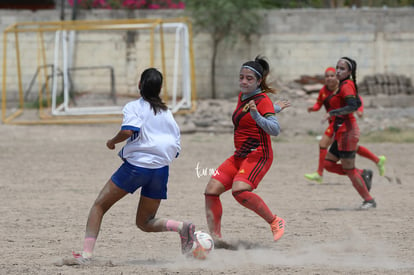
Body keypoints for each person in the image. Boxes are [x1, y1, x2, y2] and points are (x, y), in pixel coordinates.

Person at [64, 68, 195, 265]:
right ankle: (182, 227)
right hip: (160, 170)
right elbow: (176, 144)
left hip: (136, 168)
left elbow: (128, 131)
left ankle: (86, 256)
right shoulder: (166, 112)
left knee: (99, 206)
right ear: (160, 89)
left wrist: (112, 142)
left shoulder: (134, 106)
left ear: (140, 85)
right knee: (145, 222)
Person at [204, 56, 287, 248]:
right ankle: (216, 239)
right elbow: (249, 111)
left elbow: (274, 130)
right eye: (241, 77)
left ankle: (275, 221)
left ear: (258, 81)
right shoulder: (243, 96)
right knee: (211, 191)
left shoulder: (262, 100)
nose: (243, 81)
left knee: (240, 190)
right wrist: (275, 108)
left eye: (249, 79)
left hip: (259, 155)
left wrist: (260, 114)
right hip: (239, 156)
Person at [304, 67, 386, 184]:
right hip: (335, 124)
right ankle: (376, 161)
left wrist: (360, 110)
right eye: (327, 76)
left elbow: (358, 99)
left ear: (336, 77)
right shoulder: (323, 91)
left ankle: (320, 173)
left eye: (332, 76)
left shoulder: (343, 88)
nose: (329, 78)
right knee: (351, 148)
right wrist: (313, 108)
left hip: (343, 124)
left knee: (323, 144)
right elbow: (319, 104)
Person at [321, 57, 377, 209]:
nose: (338, 71)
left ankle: (369, 200)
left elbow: (352, 106)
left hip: (348, 132)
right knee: (328, 163)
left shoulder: (346, 86)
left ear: (350, 71)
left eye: (342, 69)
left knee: (349, 169)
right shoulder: (344, 85)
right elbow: (357, 102)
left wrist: (332, 112)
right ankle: (363, 173)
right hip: (342, 132)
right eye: (337, 67)